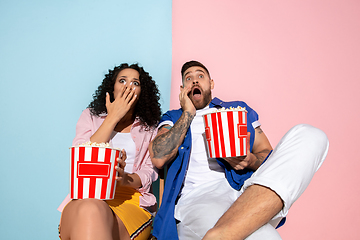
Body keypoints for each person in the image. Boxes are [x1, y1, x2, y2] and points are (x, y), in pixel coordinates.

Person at [149, 60, 329, 240]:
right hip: (199, 198)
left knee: (311, 135)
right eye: (189, 78)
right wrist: (187, 113)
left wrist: (250, 160)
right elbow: (158, 157)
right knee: (268, 237)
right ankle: (223, 232)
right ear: (182, 89)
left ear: (211, 84)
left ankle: (220, 234)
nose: (195, 81)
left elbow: (267, 153)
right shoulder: (173, 117)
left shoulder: (238, 110)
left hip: (248, 191)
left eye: (200, 76)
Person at [58, 63, 162, 240]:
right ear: (112, 88)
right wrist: (113, 116)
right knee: (90, 207)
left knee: (92, 211)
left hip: (130, 199)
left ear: (141, 94)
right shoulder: (90, 116)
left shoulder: (149, 129)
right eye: (122, 80)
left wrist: (125, 179)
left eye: (135, 83)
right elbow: (81, 158)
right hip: (86, 196)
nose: (128, 86)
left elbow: (149, 171)